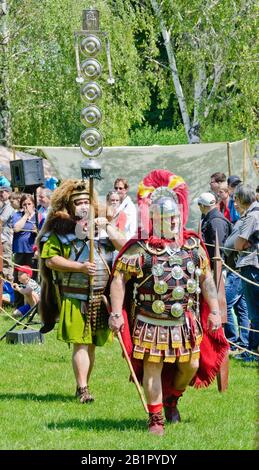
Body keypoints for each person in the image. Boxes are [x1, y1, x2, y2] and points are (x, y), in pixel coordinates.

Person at [109, 170, 229, 436]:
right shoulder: (141, 248)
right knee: (154, 365)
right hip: (150, 319)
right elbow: (118, 279)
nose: (174, 223)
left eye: (176, 218)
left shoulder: (193, 245)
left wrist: (215, 310)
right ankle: (156, 418)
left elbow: (207, 279)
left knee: (191, 365)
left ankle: (172, 398)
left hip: (185, 320)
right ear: (156, 219)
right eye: (168, 219)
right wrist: (116, 313)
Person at [38, 179, 126, 403]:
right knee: (80, 342)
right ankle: (83, 387)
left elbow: (124, 246)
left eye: (87, 201)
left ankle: (85, 384)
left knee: (92, 345)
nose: (84, 206)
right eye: (79, 202)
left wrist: (106, 225)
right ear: (70, 206)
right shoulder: (60, 231)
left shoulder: (102, 229)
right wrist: (79, 266)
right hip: (75, 295)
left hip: (99, 296)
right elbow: (50, 260)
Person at [234, 184, 259, 355]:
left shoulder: (252, 216)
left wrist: (244, 244)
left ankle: (253, 351)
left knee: (254, 311)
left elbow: (238, 244)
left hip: (251, 265)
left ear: (241, 199)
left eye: (236, 198)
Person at [198, 192, 232, 265]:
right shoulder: (210, 219)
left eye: (199, 205)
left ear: (202, 206)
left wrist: (215, 266)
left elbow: (218, 246)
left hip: (218, 267)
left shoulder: (216, 221)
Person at [0, 186, 15, 282]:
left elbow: (1, 220)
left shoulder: (9, 206)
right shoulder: (3, 206)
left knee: (6, 264)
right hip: (2, 239)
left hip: (5, 240)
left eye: (3, 192)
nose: (0, 194)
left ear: (9, 193)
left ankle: (8, 286)